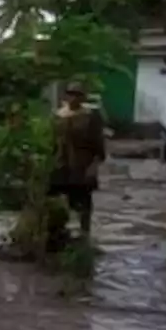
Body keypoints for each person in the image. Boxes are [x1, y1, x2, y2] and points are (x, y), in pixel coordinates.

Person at [50, 84, 106, 237]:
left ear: (83, 97)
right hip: (60, 167)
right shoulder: (58, 116)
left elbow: (99, 146)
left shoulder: (90, 117)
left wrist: (93, 167)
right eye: (70, 94)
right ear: (65, 96)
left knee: (83, 205)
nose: (73, 98)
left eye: (77, 95)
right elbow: (51, 143)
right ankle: (59, 235)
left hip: (82, 167)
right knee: (57, 203)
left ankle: (84, 236)